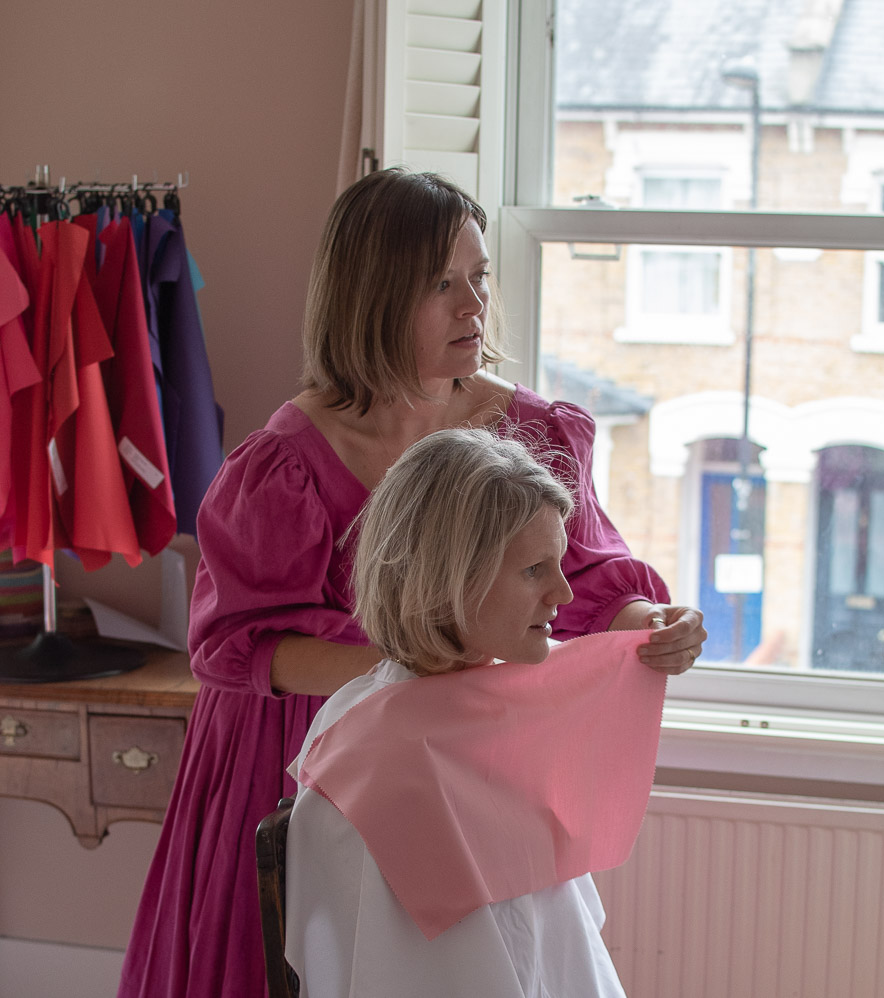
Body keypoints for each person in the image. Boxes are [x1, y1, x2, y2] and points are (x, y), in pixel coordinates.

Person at [117, 168, 706, 998]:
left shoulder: (533, 433)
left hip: (457, 755)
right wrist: (414, 668)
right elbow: (239, 647)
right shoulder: (284, 467)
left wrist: (653, 621)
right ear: (375, 298)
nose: (474, 307)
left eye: (480, 278)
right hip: (295, 752)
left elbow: (590, 580)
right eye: (442, 285)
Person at [285, 426, 667, 997]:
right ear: (450, 580)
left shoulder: (496, 701)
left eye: (558, 565)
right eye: (534, 570)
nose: (563, 595)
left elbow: (554, 942)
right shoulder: (388, 761)